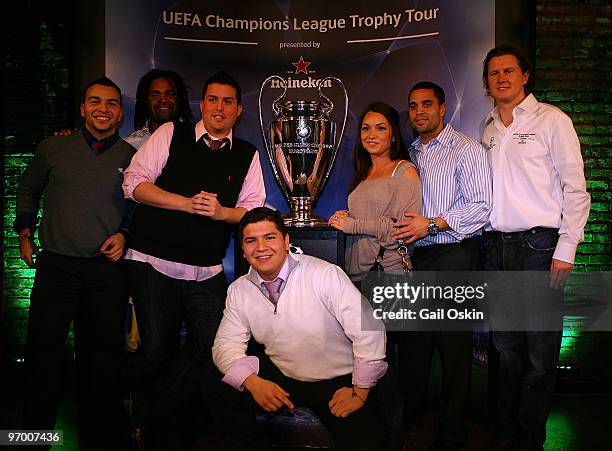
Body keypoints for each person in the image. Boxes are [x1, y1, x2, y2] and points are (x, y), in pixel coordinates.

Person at [122, 71, 265, 448]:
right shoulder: (171, 133)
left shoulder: (247, 154)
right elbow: (133, 184)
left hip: (206, 269)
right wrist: (184, 203)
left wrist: (220, 213)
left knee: (211, 349)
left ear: (239, 110)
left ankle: (151, 412)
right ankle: (159, 429)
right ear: (203, 104)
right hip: (152, 261)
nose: (220, 108)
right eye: (213, 100)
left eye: (228, 102)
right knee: (156, 348)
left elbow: (253, 211)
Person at [479, 45, 590, 451]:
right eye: (493, 73)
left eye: (509, 71)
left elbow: (576, 190)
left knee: (540, 354)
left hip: (539, 247)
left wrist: (566, 248)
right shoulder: (487, 128)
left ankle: (530, 439)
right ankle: (506, 434)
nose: (501, 78)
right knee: (505, 348)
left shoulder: (552, 120)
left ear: (525, 76)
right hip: (496, 249)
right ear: (487, 82)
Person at [15, 76, 135, 449]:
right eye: (95, 102)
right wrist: (23, 232)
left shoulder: (131, 157)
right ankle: (33, 440)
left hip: (105, 272)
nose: (103, 109)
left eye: (112, 103)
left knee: (101, 361)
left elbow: (138, 207)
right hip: (57, 268)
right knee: (42, 355)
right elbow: (27, 188)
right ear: (83, 109)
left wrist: (125, 235)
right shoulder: (53, 147)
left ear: (120, 112)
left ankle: (96, 440)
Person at [211, 207, 388, 451]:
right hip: (286, 377)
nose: (261, 247)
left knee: (368, 442)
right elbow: (225, 344)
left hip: (338, 380)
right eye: (251, 240)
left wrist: (360, 391)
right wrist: (252, 382)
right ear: (242, 249)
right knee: (219, 391)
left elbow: (369, 327)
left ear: (286, 241)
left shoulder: (324, 274)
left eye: (270, 237)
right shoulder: (239, 290)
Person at [392, 81, 492, 450]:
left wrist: (430, 224)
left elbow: (481, 206)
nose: (419, 112)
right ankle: (412, 418)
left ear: (443, 108)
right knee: (414, 344)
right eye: (413, 106)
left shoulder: (466, 149)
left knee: (453, 347)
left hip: (454, 254)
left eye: (426, 105)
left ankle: (453, 429)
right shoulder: (410, 154)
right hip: (414, 257)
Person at [329, 102, 422, 282]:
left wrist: (352, 225)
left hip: (388, 275)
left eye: (380, 128)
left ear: (393, 135)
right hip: (356, 274)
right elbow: (375, 213)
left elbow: (401, 231)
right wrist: (348, 216)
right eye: (365, 129)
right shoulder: (363, 173)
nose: (371, 135)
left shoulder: (404, 171)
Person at [125, 68, 194, 149]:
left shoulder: (195, 141)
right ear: (146, 101)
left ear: (179, 100)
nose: (163, 100)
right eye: (155, 95)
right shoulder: (129, 145)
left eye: (170, 94)